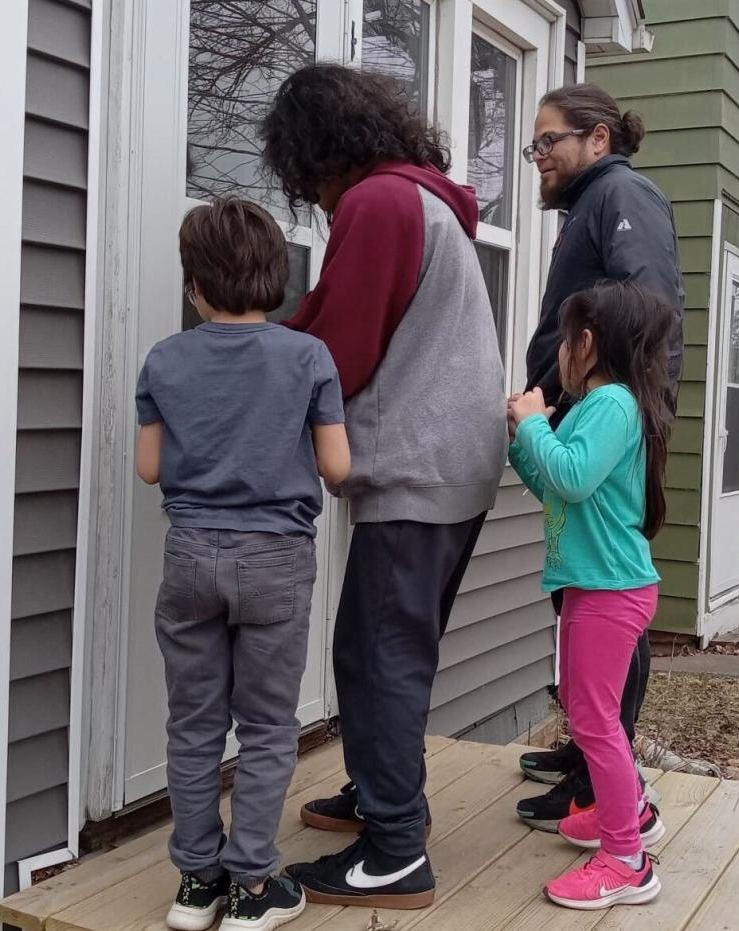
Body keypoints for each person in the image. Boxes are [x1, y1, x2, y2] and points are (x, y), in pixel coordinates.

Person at [261, 64, 507, 909]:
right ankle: (379, 792)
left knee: (377, 658)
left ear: (319, 151)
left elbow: (343, 345)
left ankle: (397, 847)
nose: (316, 202)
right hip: (457, 459)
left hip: (419, 463)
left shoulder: (378, 203)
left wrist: (235, 357)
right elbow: (335, 308)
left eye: (305, 178)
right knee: (385, 649)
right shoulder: (423, 199)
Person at [134, 198, 351, 931]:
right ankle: (252, 886)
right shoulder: (308, 357)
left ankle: (196, 881)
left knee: (194, 723)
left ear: (195, 285)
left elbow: (148, 467)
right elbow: (337, 465)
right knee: (264, 725)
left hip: (190, 553)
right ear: (275, 277)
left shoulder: (165, 358)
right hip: (275, 560)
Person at [514, 84, 686, 833]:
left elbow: (641, 306)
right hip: (580, 409)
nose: (539, 156)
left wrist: (571, 389)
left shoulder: (623, 193)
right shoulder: (593, 203)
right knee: (581, 598)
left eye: (550, 141)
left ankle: (600, 772)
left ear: (599, 139)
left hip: (606, 421)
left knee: (608, 604)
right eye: (536, 145)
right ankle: (589, 747)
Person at [508, 279, 676, 909]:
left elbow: (573, 477)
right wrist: (524, 437)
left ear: (586, 343)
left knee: (596, 721)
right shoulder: (594, 408)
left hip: (613, 587)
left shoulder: (611, 406)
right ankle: (630, 807)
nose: (555, 353)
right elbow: (553, 480)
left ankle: (627, 860)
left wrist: (534, 427)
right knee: (585, 709)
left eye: (561, 340)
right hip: (593, 584)